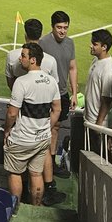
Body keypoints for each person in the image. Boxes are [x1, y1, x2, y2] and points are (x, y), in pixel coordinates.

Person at [4, 43, 61, 206]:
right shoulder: (51, 81)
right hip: (42, 139)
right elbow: (57, 109)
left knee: (15, 173)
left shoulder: (21, 82)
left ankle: (15, 209)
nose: (20, 59)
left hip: (22, 139)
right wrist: (46, 128)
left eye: (23, 55)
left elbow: (12, 113)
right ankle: (35, 208)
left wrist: (7, 130)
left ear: (33, 60)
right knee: (36, 174)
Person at [40, 10, 76, 192]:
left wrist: (74, 93)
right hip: (46, 95)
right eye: (59, 27)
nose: (62, 31)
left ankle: (51, 163)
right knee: (44, 128)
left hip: (62, 94)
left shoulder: (70, 43)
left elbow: (72, 67)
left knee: (56, 128)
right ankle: (42, 162)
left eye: (65, 28)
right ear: (52, 27)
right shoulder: (43, 43)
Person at [83, 29, 112, 150]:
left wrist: (98, 124)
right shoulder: (96, 60)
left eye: (94, 44)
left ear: (104, 47)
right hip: (90, 120)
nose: (91, 46)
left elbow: (107, 100)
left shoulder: (108, 70)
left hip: (99, 125)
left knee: (98, 156)